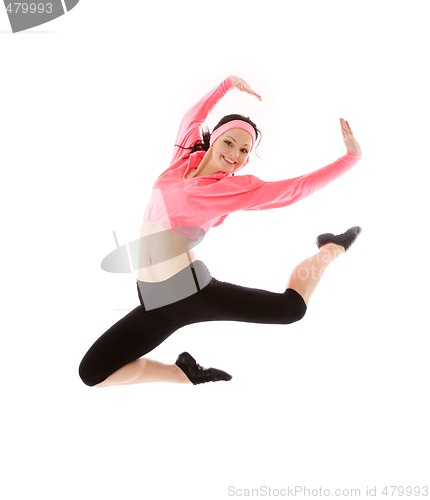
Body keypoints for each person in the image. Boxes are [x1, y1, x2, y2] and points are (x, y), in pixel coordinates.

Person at [79, 75, 362, 388]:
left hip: (189, 293)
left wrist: (350, 159)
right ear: (214, 139)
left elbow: (296, 189)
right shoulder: (181, 161)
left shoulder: (233, 189)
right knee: (93, 374)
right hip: (153, 301)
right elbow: (191, 118)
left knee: (290, 309)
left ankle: (330, 249)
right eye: (229, 142)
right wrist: (226, 85)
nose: (235, 154)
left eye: (244, 150)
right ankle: (183, 374)